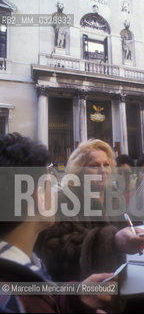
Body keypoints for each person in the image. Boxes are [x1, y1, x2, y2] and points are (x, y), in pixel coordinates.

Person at [0, 133, 116, 313]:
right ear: (37, 196)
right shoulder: (14, 303)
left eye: (106, 164)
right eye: (50, 182)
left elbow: (47, 295)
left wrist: (76, 300)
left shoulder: (30, 265)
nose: (102, 170)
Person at [35, 139, 144, 284]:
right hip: (78, 295)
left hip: (121, 281)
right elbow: (55, 252)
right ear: (79, 170)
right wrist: (112, 241)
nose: (103, 170)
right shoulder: (62, 200)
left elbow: (126, 228)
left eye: (106, 164)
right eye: (94, 166)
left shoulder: (114, 198)